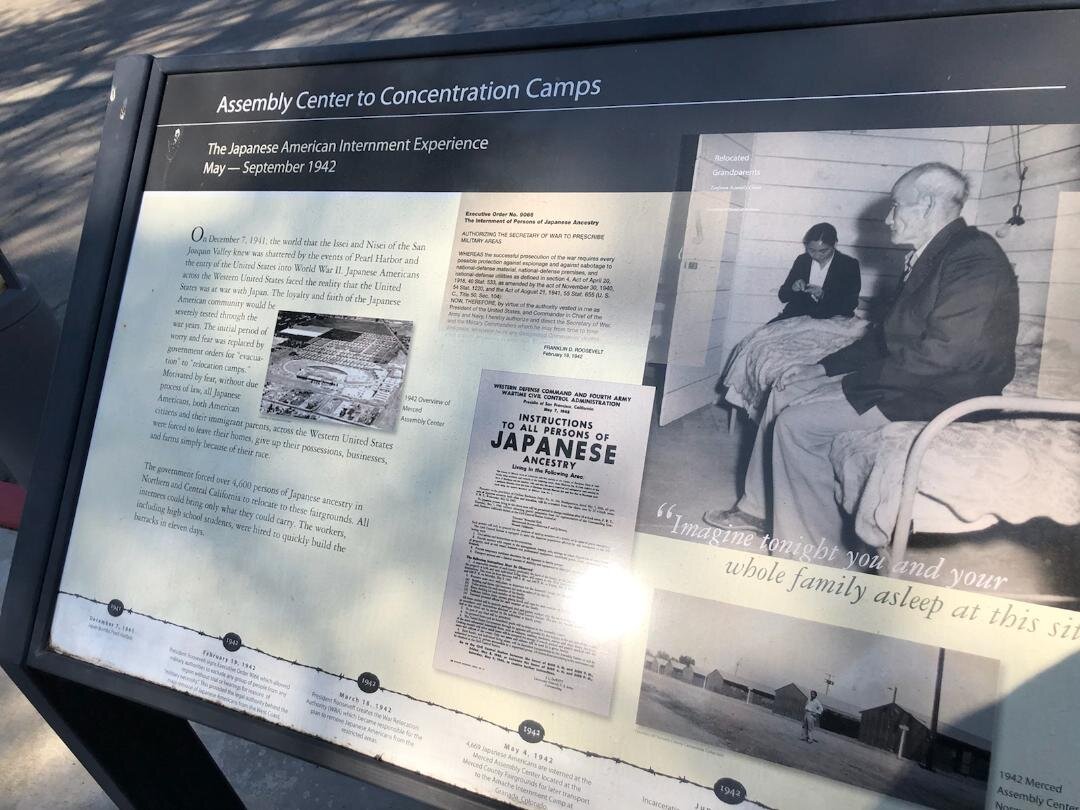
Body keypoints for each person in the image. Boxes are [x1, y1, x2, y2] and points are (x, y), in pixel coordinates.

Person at [704, 162, 1019, 560]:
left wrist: (851, 387)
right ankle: (757, 509)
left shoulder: (974, 258)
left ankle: (812, 554)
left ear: (925, 204)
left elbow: (945, 354)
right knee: (785, 389)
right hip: (918, 379)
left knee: (797, 425)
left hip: (941, 394)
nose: (888, 218)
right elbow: (883, 338)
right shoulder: (936, 254)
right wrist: (819, 369)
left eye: (895, 206)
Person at [773, 223, 861, 321]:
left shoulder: (848, 265)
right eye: (811, 250)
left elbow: (851, 303)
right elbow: (783, 296)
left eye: (823, 251)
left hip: (833, 319)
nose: (816, 255)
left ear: (835, 244)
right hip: (797, 316)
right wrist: (793, 288)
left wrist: (823, 295)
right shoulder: (802, 260)